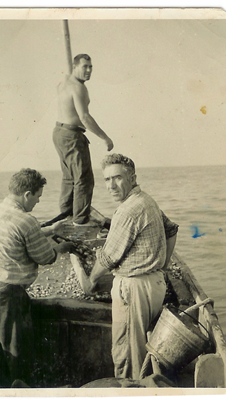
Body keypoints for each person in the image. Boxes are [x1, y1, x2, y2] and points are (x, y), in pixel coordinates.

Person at [0, 168, 75, 387]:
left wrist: (50, 229)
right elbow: (45, 257)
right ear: (27, 194)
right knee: (17, 354)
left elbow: (18, 234)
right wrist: (62, 247)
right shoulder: (26, 220)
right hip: (5, 296)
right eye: (37, 197)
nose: (37, 202)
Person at [81, 154, 178, 380]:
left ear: (132, 178)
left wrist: (91, 281)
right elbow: (171, 230)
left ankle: (132, 391)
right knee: (143, 349)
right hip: (153, 285)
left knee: (127, 356)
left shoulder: (127, 210)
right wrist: (162, 266)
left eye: (117, 178)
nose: (111, 185)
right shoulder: (146, 200)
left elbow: (108, 258)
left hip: (134, 289)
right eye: (106, 180)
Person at [53, 54, 114, 226]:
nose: (88, 70)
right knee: (83, 178)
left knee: (69, 177)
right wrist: (105, 138)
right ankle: (79, 221)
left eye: (90, 67)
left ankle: (66, 214)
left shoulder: (63, 83)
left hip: (59, 132)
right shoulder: (79, 88)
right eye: (84, 66)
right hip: (71, 135)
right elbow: (85, 117)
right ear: (75, 66)